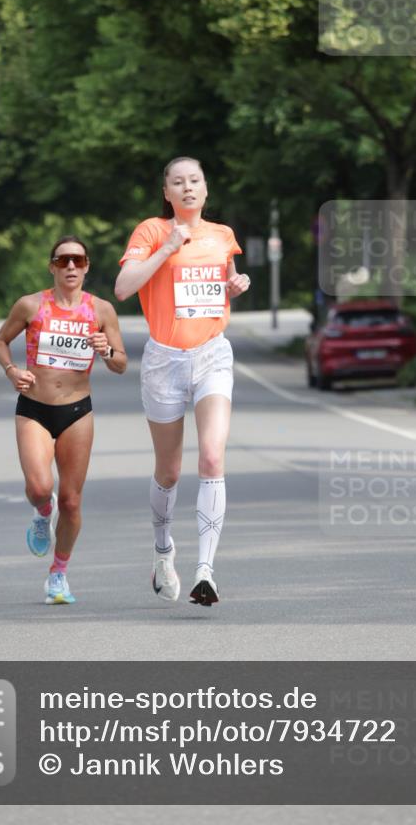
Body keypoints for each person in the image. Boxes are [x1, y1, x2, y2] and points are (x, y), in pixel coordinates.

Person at [115, 156, 250, 606]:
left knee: (212, 456)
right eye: (178, 182)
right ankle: (162, 550)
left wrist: (235, 285)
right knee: (169, 470)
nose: (188, 187)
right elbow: (123, 287)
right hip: (164, 360)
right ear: (166, 193)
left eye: (195, 180)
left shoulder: (223, 235)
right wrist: (169, 246)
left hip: (212, 354)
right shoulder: (152, 231)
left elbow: (223, 282)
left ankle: (205, 571)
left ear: (206, 189)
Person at [0, 235, 127, 604]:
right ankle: (42, 511)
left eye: (78, 261)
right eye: (63, 260)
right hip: (34, 408)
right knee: (40, 488)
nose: (71, 266)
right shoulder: (31, 305)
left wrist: (107, 350)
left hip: (77, 411)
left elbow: (120, 364)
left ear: (86, 267)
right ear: (52, 266)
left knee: (71, 500)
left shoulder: (101, 310)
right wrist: (11, 371)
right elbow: (1, 341)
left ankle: (58, 574)